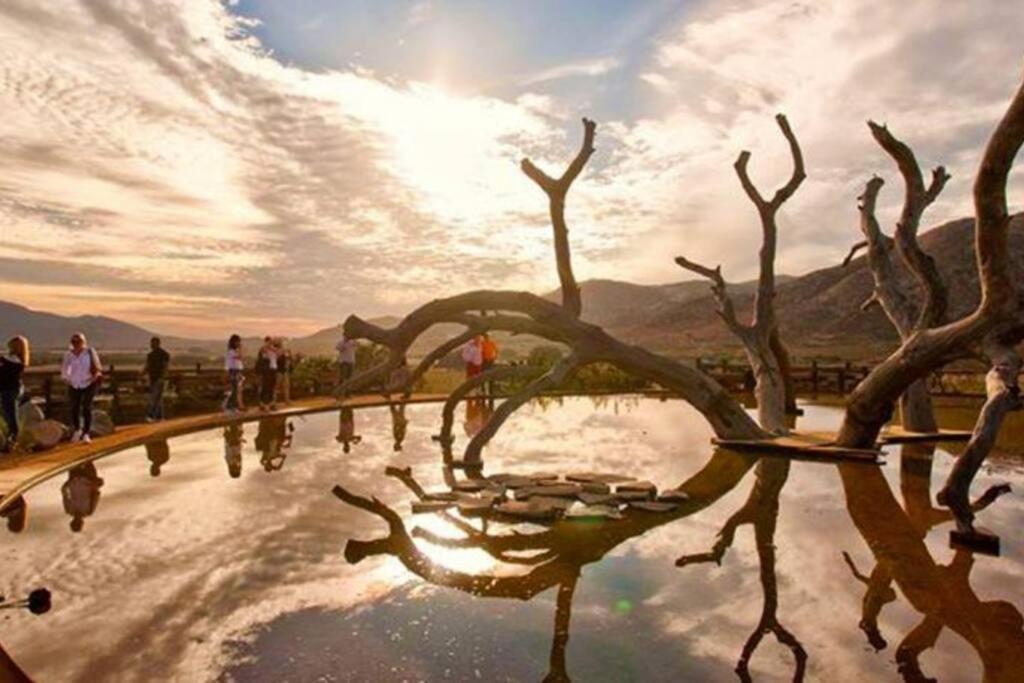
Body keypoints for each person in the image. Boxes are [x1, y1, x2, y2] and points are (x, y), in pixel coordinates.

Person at [61, 333, 102, 443]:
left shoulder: (89, 352)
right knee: (75, 407)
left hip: (89, 382)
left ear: (83, 342)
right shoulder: (68, 354)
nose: (76, 344)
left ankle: (86, 433)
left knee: (86, 407)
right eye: (74, 342)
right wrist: (66, 378)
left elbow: (97, 366)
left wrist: (95, 376)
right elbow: (65, 368)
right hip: (74, 383)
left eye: (78, 342)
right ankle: (77, 430)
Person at [0, 336, 29, 449]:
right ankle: (11, 436)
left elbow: (6, 374)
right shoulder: (14, 361)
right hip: (8, 389)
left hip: (10, 389)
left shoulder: (15, 362)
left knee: (10, 413)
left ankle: (13, 436)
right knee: (7, 412)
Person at [61, 461, 104, 532]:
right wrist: (95, 483)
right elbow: (95, 495)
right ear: (81, 523)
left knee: (75, 458)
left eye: (76, 523)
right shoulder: (88, 511)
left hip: (74, 479)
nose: (77, 521)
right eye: (78, 523)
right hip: (89, 478)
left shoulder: (69, 509)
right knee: (87, 458)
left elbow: (64, 494)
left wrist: (66, 485)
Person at [142, 336, 170, 422]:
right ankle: (159, 417)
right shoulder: (151, 355)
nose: (151, 345)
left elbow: (165, 367)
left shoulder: (164, 355)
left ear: (157, 343)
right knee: (158, 398)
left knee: (154, 397)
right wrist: (142, 373)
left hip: (158, 378)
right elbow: (147, 366)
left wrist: (163, 377)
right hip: (153, 378)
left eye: (153, 343)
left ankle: (151, 415)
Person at [224, 334, 245, 414]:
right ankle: (230, 407)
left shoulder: (234, 351)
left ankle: (234, 407)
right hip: (233, 371)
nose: (239, 343)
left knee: (237, 390)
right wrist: (241, 348)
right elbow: (240, 356)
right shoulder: (231, 351)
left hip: (238, 371)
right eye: (237, 341)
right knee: (234, 390)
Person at [255, 336, 278, 411]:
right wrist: (269, 347)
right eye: (269, 341)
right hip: (266, 370)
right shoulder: (264, 349)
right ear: (266, 341)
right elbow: (263, 353)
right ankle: (263, 404)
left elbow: (279, 353)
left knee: (271, 387)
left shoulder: (273, 349)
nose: (271, 343)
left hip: (273, 369)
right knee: (265, 387)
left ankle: (271, 404)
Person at [276, 340, 292, 405]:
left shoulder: (286, 351)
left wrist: (289, 354)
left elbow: (288, 359)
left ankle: (287, 400)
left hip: (285, 370)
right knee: (276, 386)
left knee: (286, 386)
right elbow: (277, 358)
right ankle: (273, 401)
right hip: (279, 371)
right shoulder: (277, 351)